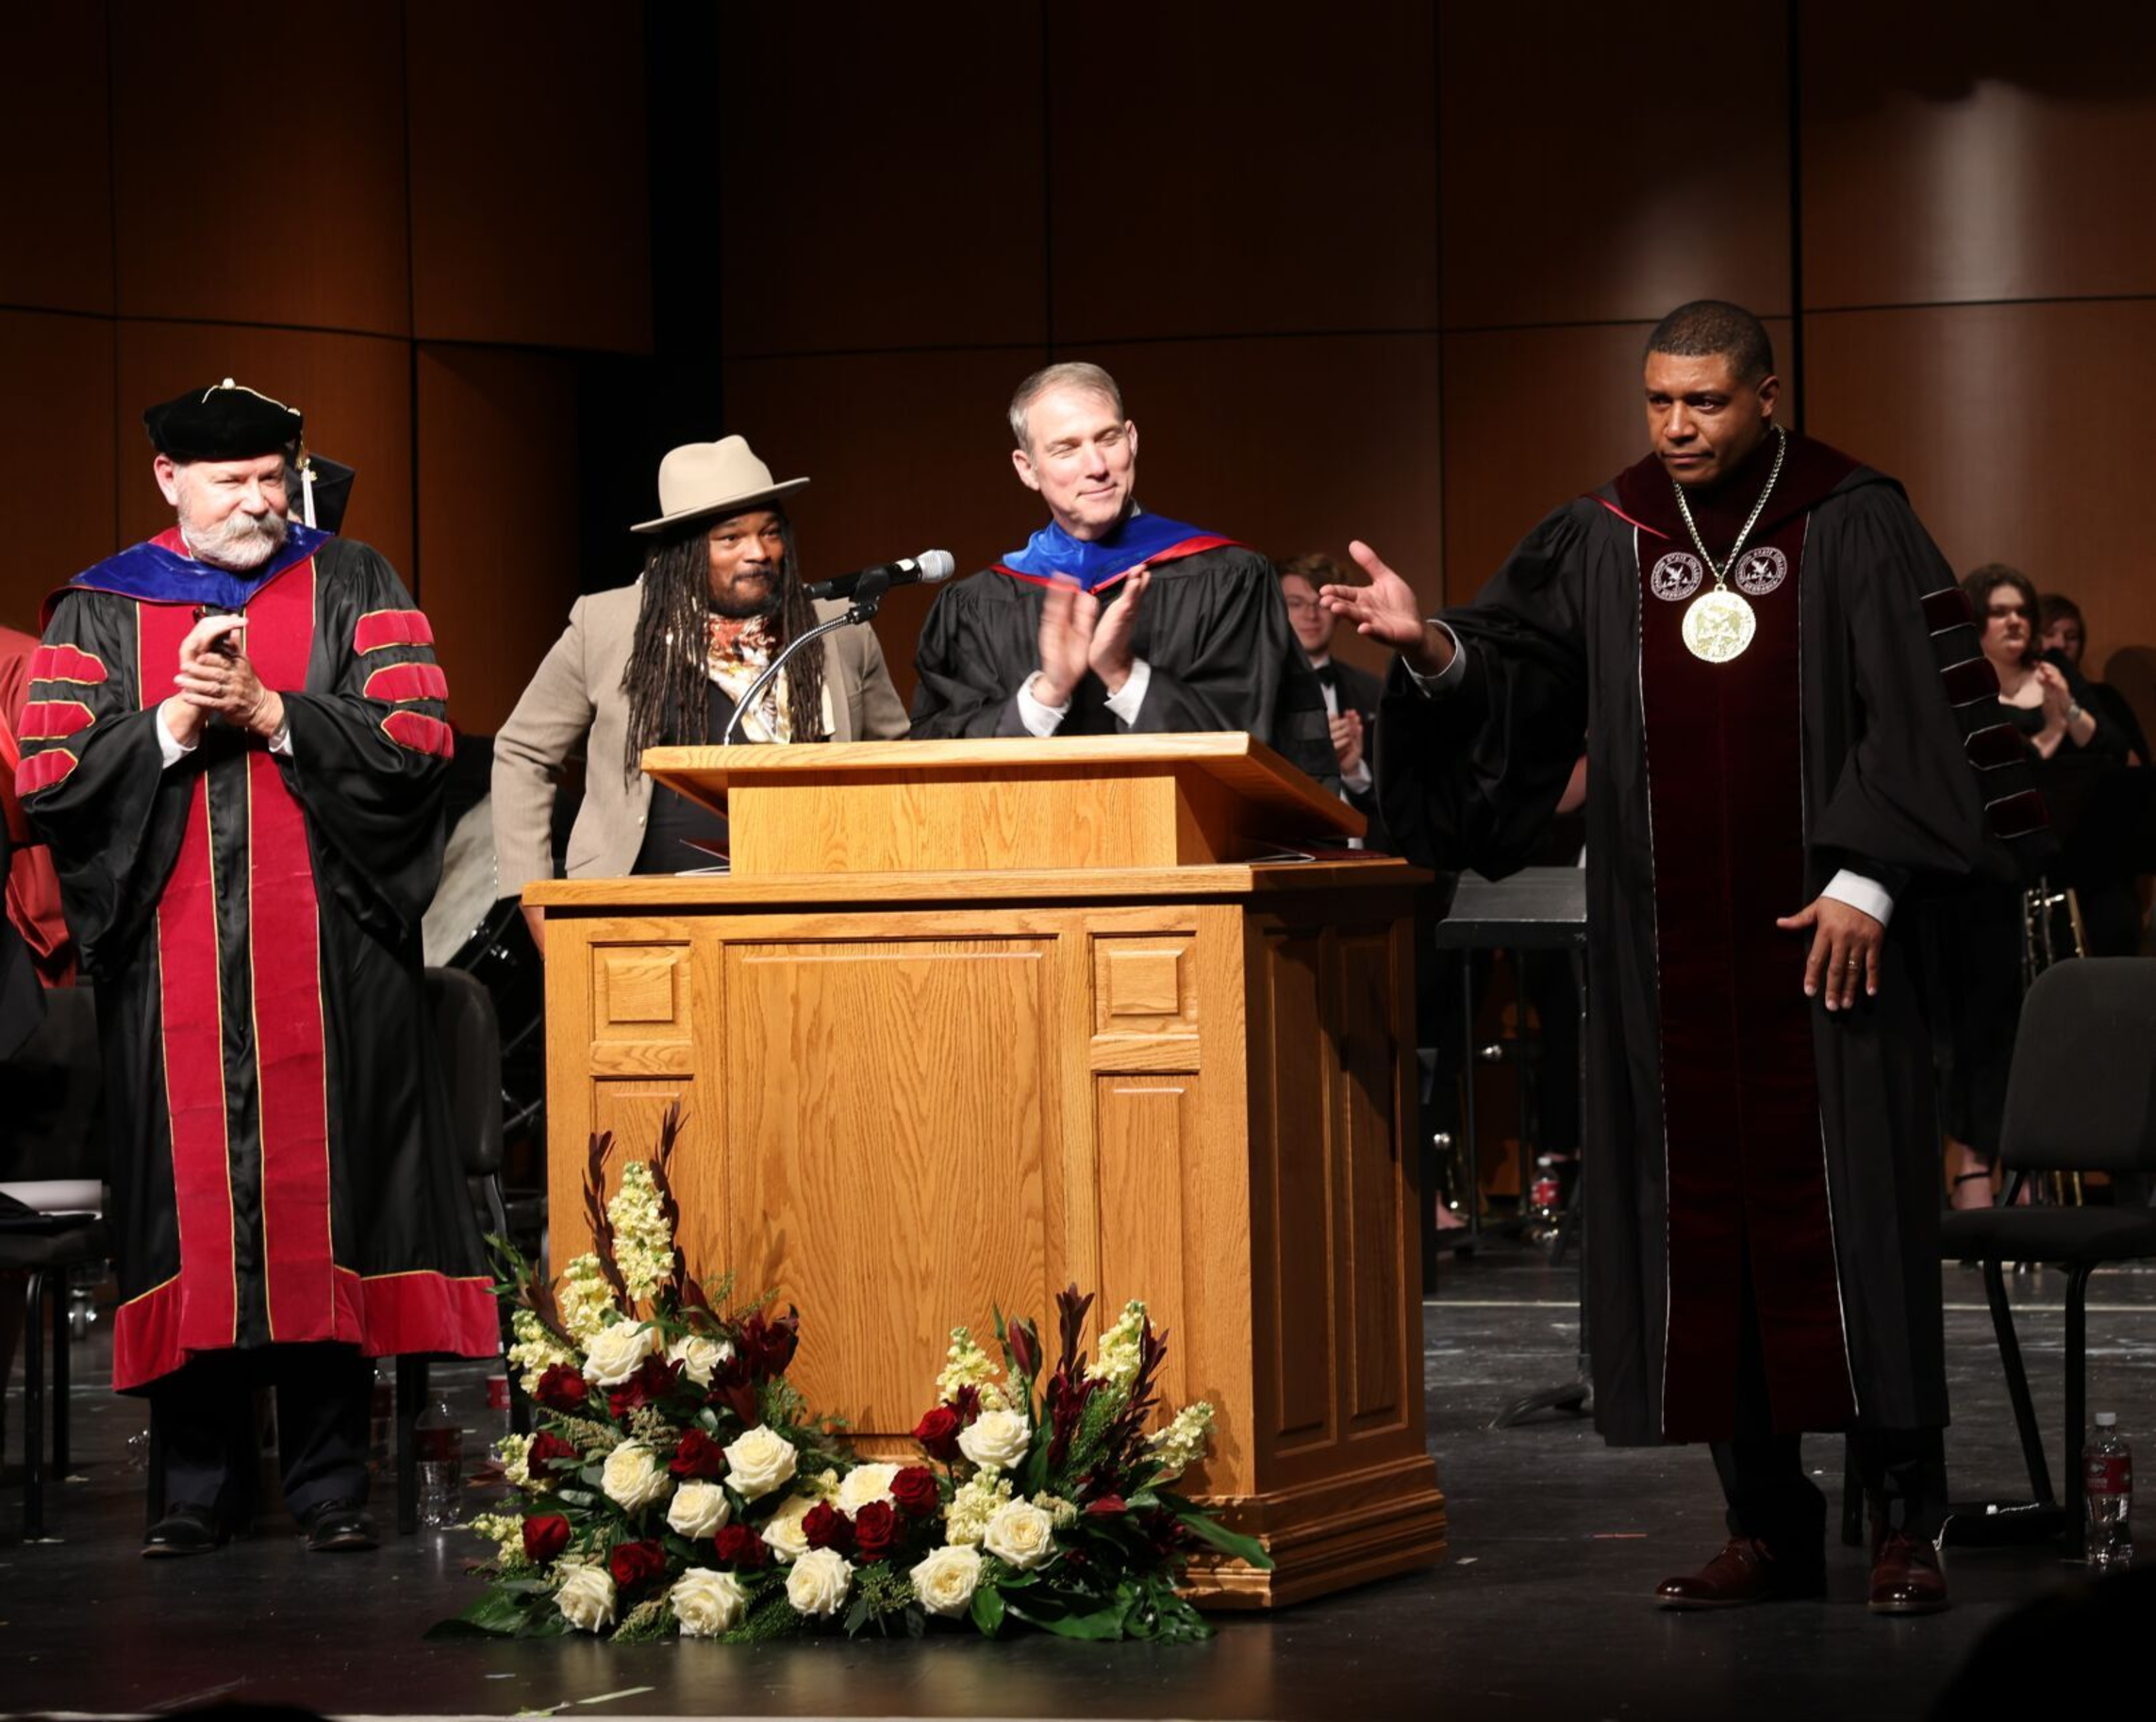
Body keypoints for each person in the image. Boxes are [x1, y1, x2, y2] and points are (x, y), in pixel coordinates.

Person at [1321, 302, 2048, 1616]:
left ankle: (1904, 1519)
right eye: (1658, 400)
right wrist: (1430, 645)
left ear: (1766, 396)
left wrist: (1869, 877)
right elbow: (1525, 683)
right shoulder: (1611, 535)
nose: (1675, 426)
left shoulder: (1851, 519)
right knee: (1704, 1233)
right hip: (1667, 966)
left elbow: (1922, 715)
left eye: (1704, 401)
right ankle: (1764, 1524)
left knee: (1858, 1230)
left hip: (1832, 954)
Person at [17, 380, 498, 1555]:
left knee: (320, 1200)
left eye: (272, 478)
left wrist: (278, 711)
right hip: (171, 967)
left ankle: (331, 1483)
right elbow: (48, 778)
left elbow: (420, 742)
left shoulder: (356, 582)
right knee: (190, 1214)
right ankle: (197, 1485)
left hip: (333, 968)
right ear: (170, 479)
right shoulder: (101, 608)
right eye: (229, 481)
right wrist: (177, 722)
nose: (257, 500)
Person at [493, 436, 907, 942]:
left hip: (806, 912)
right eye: (731, 539)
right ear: (685, 552)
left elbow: (898, 763)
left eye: (770, 533)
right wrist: (531, 894)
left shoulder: (836, 629)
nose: (759, 553)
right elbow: (523, 750)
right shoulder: (607, 625)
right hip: (637, 918)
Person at [909, 363, 1336, 789]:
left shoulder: (1231, 578)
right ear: (1027, 468)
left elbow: (1263, 746)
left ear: (1131, 439)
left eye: (1107, 439)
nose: (1096, 466)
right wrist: (1046, 694)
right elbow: (935, 759)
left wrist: (1125, 674)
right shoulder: (977, 606)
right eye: (1066, 449)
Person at [1280, 555, 1384, 837]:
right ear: (1277, 610)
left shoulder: (1373, 690)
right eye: (1296, 603)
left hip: (1365, 850)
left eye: (1321, 604)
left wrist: (1354, 769)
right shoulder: (1258, 691)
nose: (1311, 615)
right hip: (1288, 846)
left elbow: (1400, 798)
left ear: (1338, 612)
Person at [2038, 590, 2148, 765]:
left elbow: (2136, 762)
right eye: (2049, 634)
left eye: (2071, 637)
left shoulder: (2105, 697)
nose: (2061, 644)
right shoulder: (2017, 700)